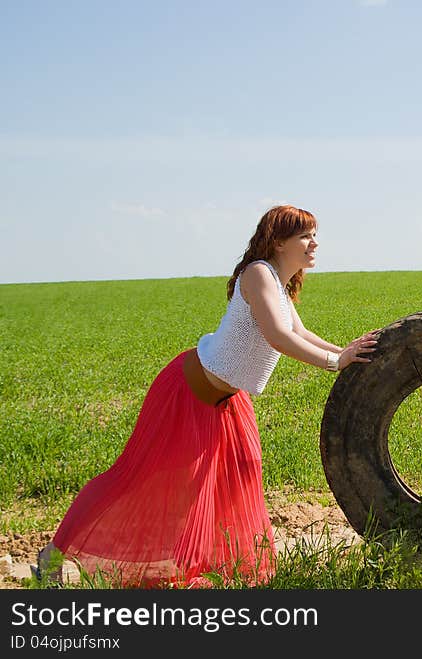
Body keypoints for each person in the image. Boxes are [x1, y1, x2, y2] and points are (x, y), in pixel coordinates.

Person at [34, 204, 378, 587]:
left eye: (315, 235)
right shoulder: (258, 273)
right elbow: (279, 338)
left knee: (241, 473)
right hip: (187, 392)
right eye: (306, 236)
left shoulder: (279, 282)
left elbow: (300, 332)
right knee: (135, 478)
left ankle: (221, 564)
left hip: (228, 402)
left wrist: (345, 353)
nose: (315, 243)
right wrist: (335, 362)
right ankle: (53, 554)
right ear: (279, 242)